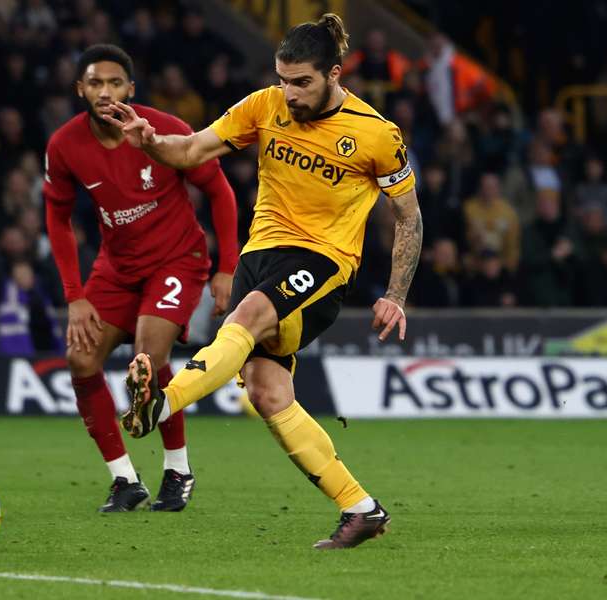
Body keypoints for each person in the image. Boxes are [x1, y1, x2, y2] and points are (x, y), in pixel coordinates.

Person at [106, 14, 422, 549]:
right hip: (263, 254)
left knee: (247, 317)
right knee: (268, 393)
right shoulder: (264, 105)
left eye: (301, 82)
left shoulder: (376, 135)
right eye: (282, 79)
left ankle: (160, 404)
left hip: (323, 262)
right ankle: (361, 508)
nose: (289, 93)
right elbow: (190, 151)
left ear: (334, 74)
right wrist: (149, 140)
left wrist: (394, 295)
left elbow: (409, 218)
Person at [43, 44, 239, 513]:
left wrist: (228, 267)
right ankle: (125, 480)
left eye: (115, 83)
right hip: (117, 268)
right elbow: (57, 218)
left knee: (147, 360)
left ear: (131, 88)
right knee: (81, 359)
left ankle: (177, 469)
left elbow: (220, 191)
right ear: (80, 90)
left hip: (177, 260)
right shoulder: (65, 146)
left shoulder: (166, 130)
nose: (105, 92)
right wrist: (74, 297)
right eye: (95, 83)